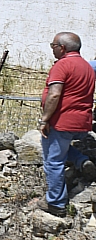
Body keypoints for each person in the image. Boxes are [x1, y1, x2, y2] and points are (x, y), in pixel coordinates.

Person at [35, 33, 96, 218]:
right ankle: (80, 160)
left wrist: (45, 119)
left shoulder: (62, 65)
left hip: (61, 121)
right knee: (60, 147)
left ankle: (56, 203)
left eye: (53, 45)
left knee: (53, 161)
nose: (52, 49)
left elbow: (54, 94)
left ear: (62, 48)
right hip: (81, 122)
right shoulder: (87, 67)